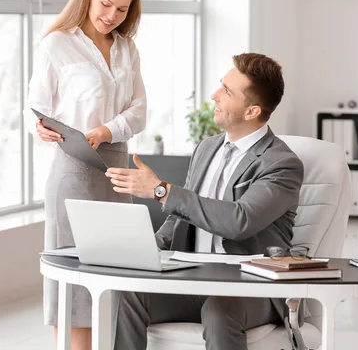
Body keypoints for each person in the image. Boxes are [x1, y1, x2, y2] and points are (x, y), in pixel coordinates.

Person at [105, 52, 304, 350]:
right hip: (193, 279)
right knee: (128, 293)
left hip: (251, 287)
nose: (214, 96)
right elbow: (180, 218)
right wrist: (145, 249)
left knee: (220, 309)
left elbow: (240, 221)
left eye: (226, 91)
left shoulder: (281, 163)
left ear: (251, 112)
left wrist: (162, 190)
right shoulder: (207, 148)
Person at [24, 0, 146, 350]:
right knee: (72, 277)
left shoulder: (127, 49)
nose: (112, 16)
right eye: (106, 4)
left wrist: (107, 131)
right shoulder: (57, 44)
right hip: (73, 167)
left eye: (123, 9)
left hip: (116, 169)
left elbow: (139, 111)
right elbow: (35, 107)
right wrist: (38, 128)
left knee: (117, 270)